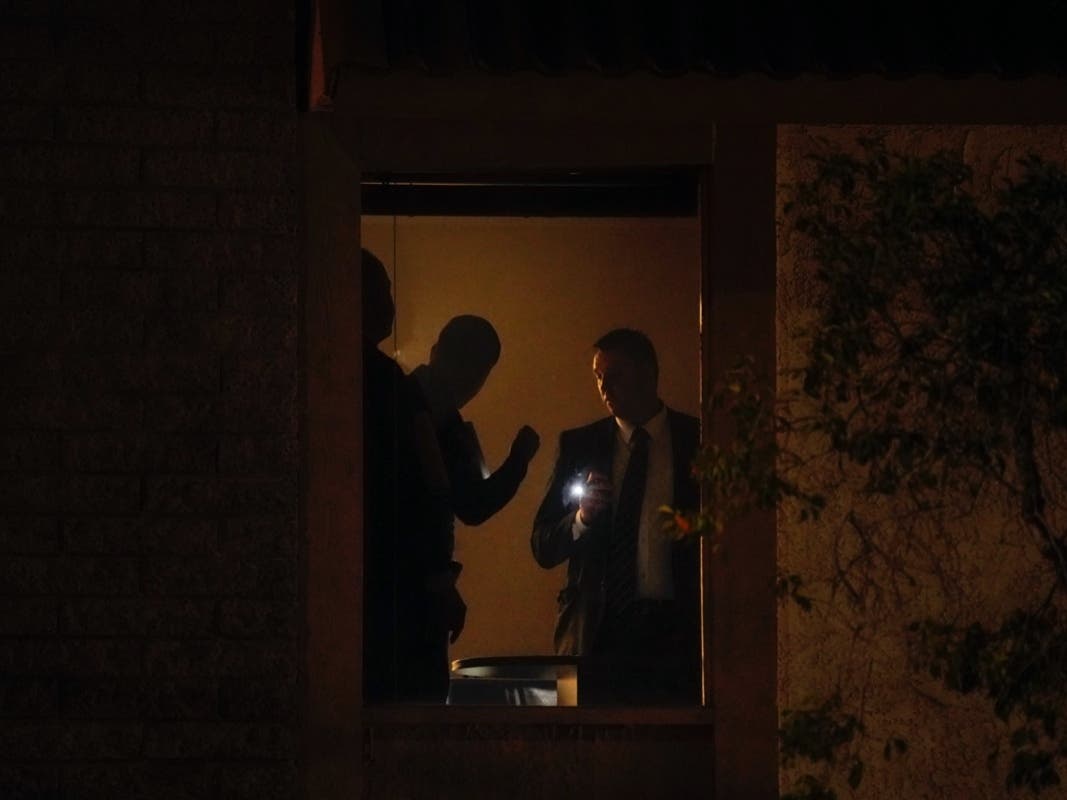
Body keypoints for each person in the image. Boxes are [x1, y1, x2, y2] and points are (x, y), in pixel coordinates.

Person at [531, 328, 701, 705]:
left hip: (676, 634)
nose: (604, 386)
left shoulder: (697, 441)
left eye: (615, 374)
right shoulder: (578, 445)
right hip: (595, 634)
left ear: (648, 374)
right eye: (597, 376)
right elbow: (542, 545)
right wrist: (581, 518)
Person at [361, 249, 465, 704]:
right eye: (381, 292)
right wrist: (438, 581)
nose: (391, 305)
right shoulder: (391, 387)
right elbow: (433, 494)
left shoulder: (383, 384)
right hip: (399, 599)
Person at [411, 315, 541, 529]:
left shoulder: (400, 393)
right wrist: (519, 459)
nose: (475, 385)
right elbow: (474, 505)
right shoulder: (447, 425)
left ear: (435, 350)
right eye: (478, 372)